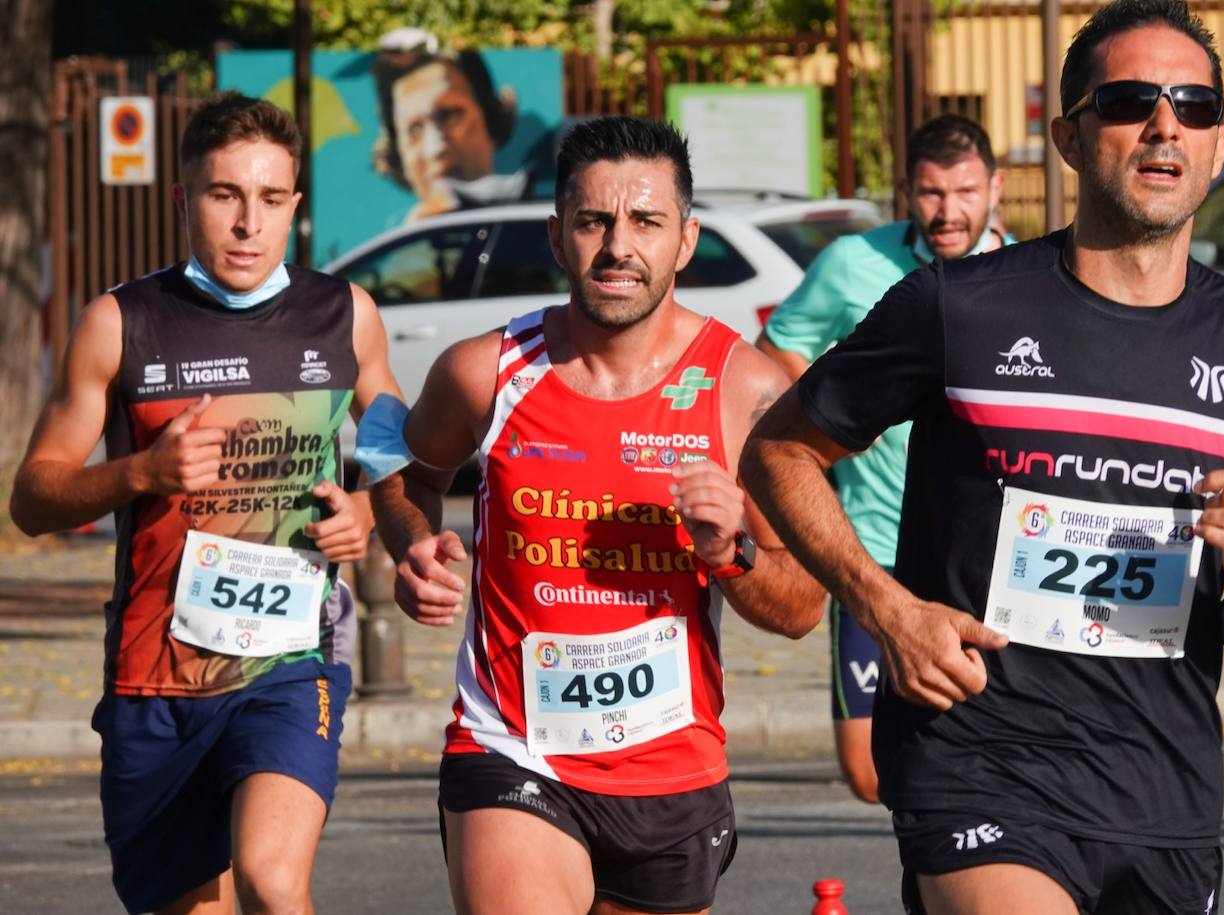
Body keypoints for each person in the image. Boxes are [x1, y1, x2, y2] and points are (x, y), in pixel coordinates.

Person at [741, 1, 1224, 912]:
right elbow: (779, 448)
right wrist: (890, 611)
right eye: (1131, 98)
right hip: (978, 761)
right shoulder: (960, 306)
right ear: (1067, 136)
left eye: (1195, 105)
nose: (1165, 123)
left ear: (1221, 146)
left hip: (1163, 791)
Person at [364, 115, 823, 915]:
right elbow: (407, 474)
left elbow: (801, 607)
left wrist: (729, 553)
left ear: (686, 240)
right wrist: (414, 543)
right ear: (557, 235)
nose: (618, 246)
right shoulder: (485, 372)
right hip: (511, 749)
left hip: (672, 768)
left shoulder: (743, 390)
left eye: (646, 221)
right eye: (593, 221)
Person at [9, 93, 403, 914]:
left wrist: (370, 513)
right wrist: (139, 474)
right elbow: (33, 496)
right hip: (156, 677)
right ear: (186, 201)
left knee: (272, 877)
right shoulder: (121, 323)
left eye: (269, 199)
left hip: (292, 664)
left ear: (296, 204)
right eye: (225, 196)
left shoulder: (346, 315)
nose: (247, 224)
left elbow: (393, 444)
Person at [756, 114, 1008, 804]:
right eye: (930, 193)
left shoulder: (1023, 277)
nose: (948, 211)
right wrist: (833, 415)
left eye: (965, 191)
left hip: (980, 555)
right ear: (907, 191)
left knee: (992, 741)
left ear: (997, 189)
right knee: (868, 769)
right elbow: (777, 346)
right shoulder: (850, 264)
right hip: (873, 546)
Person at [372, 41, 524, 221]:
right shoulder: (409, 244)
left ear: (490, 121)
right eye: (415, 129)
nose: (435, 148)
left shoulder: (525, 227)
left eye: (449, 115)